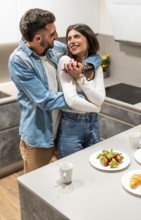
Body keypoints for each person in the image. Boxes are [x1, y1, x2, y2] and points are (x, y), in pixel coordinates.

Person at [8, 8, 101, 174]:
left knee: (70, 179)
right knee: (36, 187)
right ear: (38, 38)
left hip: (63, 129)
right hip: (39, 139)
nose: (57, 36)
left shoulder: (55, 48)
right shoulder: (19, 61)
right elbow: (45, 100)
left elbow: (92, 53)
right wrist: (85, 97)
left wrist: (87, 66)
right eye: (52, 33)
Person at [57, 24, 106, 158]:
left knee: (94, 166)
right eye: (69, 38)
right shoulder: (66, 62)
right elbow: (72, 101)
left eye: (76, 36)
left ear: (88, 40)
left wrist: (79, 78)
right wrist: (97, 108)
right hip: (71, 126)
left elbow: (100, 99)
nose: (72, 41)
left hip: (93, 123)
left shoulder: (96, 67)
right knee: (73, 170)